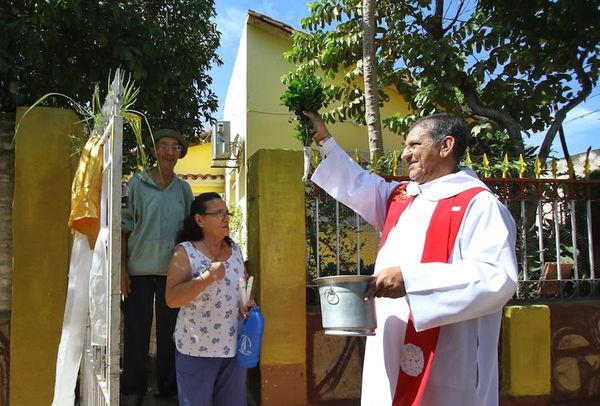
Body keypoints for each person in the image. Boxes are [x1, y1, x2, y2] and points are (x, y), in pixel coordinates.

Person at [305, 111, 518, 406]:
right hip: (389, 343)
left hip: (447, 352)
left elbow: (498, 277)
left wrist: (411, 280)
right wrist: (325, 142)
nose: (405, 154)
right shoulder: (402, 197)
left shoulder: (479, 205)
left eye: (415, 145)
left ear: (445, 146)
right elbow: (359, 183)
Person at [121, 128, 193, 405]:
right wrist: (123, 270)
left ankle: (168, 388)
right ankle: (132, 389)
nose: (169, 152)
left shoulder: (183, 189)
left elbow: (188, 232)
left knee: (171, 333)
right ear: (154, 151)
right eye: (164, 146)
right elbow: (124, 228)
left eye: (175, 147)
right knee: (136, 332)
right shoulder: (135, 185)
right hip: (138, 270)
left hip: (172, 274)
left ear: (179, 154)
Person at [165, 192, 254, 406]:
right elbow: (172, 298)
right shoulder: (185, 252)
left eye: (227, 213)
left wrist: (247, 302)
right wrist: (207, 278)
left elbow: (244, 285)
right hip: (197, 348)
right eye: (218, 213)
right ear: (199, 219)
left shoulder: (235, 250)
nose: (226, 218)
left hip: (233, 347)